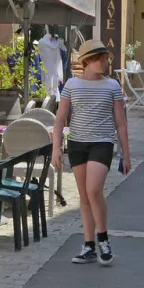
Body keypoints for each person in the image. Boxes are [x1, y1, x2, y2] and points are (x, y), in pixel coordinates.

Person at [52, 39, 130, 265]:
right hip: (77, 144)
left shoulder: (112, 85)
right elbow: (60, 118)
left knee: (94, 190)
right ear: (87, 61)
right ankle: (88, 245)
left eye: (105, 58)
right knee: (84, 196)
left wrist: (126, 153)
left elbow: (121, 122)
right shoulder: (71, 85)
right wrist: (57, 148)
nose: (104, 62)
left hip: (102, 143)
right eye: (99, 58)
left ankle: (103, 239)